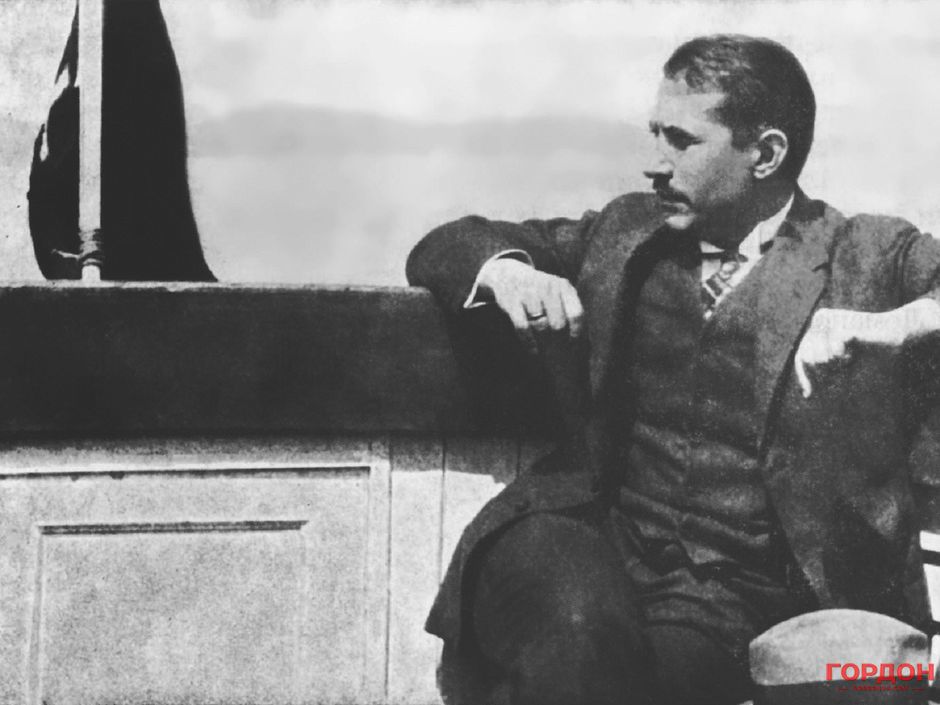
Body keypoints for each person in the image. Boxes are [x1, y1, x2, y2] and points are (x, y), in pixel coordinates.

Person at [406, 34, 940, 705]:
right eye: (655, 134)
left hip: (729, 595)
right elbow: (447, 244)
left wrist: (890, 327)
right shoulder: (628, 232)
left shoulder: (865, 254)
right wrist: (510, 274)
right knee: (576, 628)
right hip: (585, 532)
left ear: (766, 154)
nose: (653, 163)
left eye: (681, 141)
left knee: (604, 677)